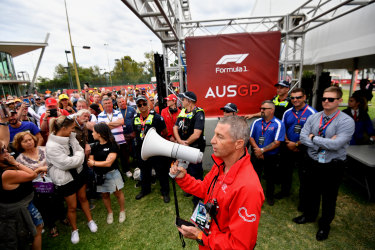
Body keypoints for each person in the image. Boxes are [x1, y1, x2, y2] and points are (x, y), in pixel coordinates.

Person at [170, 116, 264, 249]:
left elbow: (240, 246)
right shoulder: (221, 164)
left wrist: (201, 236)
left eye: (220, 136)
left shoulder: (248, 188)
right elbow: (204, 189)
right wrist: (183, 178)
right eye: (214, 134)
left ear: (239, 143)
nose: (212, 140)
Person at [293, 86, 355, 241]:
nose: (326, 101)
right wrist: (323, 142)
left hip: (333, 165)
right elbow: (303, 136)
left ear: (340, 101)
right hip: (313, 161)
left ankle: (324, 226)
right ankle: (309, 216)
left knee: (329, 197)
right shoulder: (314, 117)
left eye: (331, 99)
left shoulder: (346, 121)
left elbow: (336, 145)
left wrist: (313, 138)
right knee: (311, 192)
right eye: (324, 98)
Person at [46, 116, 97, 244]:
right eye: (71, 128)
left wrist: (76, 158)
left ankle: (90, 220)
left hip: (79, 173)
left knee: (83, 198)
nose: (73, 130)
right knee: (72, 206)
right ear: (63, 128)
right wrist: (79, 157)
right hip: (66, 179)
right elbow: (67, 163)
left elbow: (78, 151)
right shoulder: (51, 145)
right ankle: (74, 230)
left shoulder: (71, 137)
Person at [0, 123, 47, 249]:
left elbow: (3, 140)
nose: (6, 151)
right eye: (2, 151)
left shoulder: (5, 166)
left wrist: (4, 122)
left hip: (24, 203)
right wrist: (15, 162)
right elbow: (31, 175)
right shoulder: (7, 173)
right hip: (20, 208)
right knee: (35, 231)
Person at [14, 131, 65, 243]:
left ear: (34, 139)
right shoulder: (19, 160)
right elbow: (24, 176)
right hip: (37, 187)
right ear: (20, 144)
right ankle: (51, 225)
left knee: (58, 199)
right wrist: (38, 170)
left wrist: (46, 168)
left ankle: (62, 216)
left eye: (30, 139)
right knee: (44, 205)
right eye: (24, 141)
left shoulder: (44, 149)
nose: (28, 142)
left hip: (54, 179)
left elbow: (56, 161)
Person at [277, 88, 316, 208]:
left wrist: (297, 144)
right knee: (285, 171)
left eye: (298, 97)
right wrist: (288, 142)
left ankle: (303, 201)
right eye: (292, 98)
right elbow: (283, 128)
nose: (295, 100)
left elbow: (313, 134)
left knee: (304, 176)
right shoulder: (287, 112)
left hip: (304, 148)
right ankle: (284, 191)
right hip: (288, 146)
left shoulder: (313, 113)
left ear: (304, 97)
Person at [132, 95, 170, 202]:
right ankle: (145, 190)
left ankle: (165, 192)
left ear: (148, 104)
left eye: (144, 103)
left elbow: (165, 132)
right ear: (137, 106)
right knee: (144, 171)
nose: (142, 106)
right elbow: (135, 133)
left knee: (161, 171)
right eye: (139, 105)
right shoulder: (135, 118)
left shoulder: (157, 117)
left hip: (155, 150)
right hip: (142, 150)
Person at [87, 123, 126, 224]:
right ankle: (110, 212)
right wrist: (94, 163)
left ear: (99, 133)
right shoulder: (94, 146)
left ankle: (122, 211)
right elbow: (90, 162)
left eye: (94, 131)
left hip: (112, 174)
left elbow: (108, 163)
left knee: (118, 194)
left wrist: (94, 163)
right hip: (100, 176)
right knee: (104, 195)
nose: (92, 133)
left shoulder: (112, 145)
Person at [249, 100, 285, 206]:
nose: (261, 111)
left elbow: (277, 142)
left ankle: (269, 196)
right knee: (255, 177)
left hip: (271, 156)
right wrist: (257, 150)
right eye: (261, 109)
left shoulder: (278, 123)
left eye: (264, 109)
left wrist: (262, 150)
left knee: (270, 178)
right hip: (256, 154)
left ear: (272, 110)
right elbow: (251, 137)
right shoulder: (256, 122)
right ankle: (254, 196)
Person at [173, 91, 206, 207]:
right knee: (186, 170)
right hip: (184, 146)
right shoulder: (182, 111)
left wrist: (184, 143)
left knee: (196, 172)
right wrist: (180, 141)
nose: (181, 101)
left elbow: (197, 134)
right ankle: (190, 190)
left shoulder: (199, 113)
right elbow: (175, 128)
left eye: (183, 99)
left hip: (194, 148)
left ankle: (198, 198)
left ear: (189, 101)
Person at [98, 97, 132, 178]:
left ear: (112, 104)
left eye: (109, 103)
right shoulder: (100, 115)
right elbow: (102, 128)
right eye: (105, 103)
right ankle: (116, 173)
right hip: (109, 141)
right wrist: (115, 124)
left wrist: (107, 124)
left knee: (124, 157)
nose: (107, 105)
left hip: (120, 139)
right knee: (112, 159)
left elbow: (121, 122)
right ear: (103, 105)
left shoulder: (118, 112)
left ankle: (127, 170)